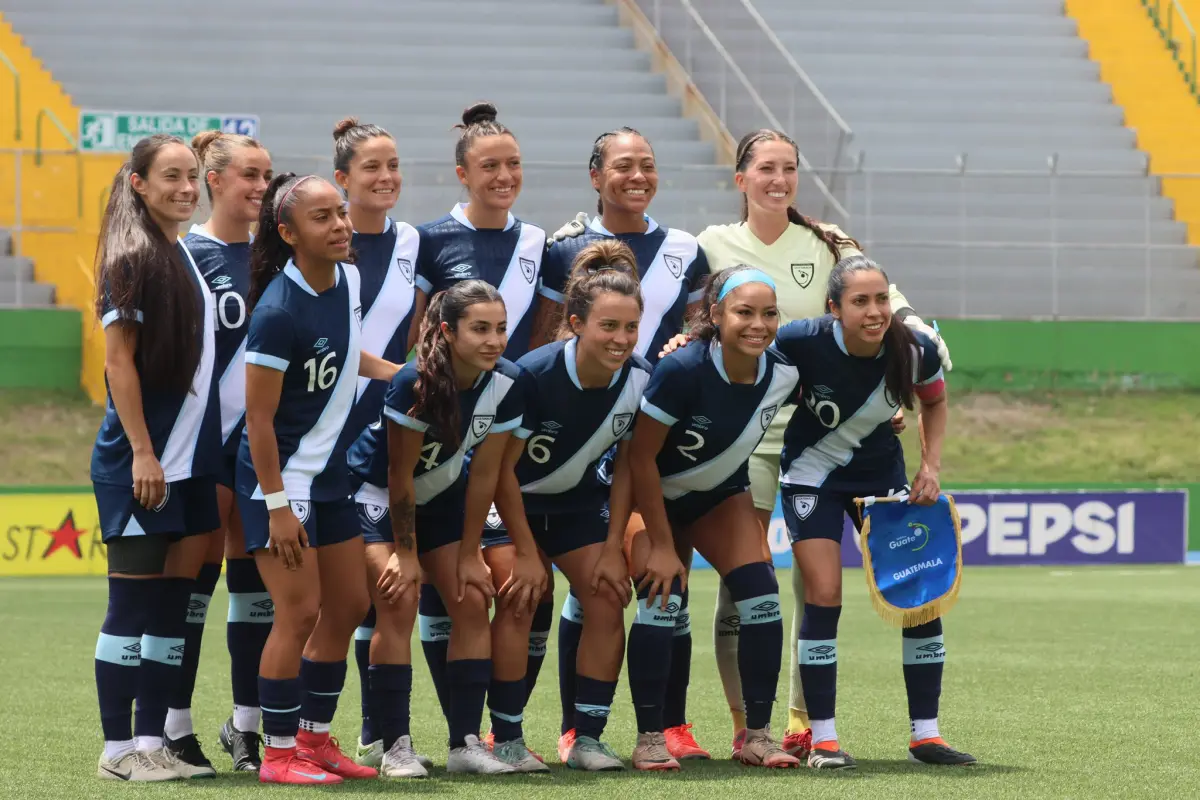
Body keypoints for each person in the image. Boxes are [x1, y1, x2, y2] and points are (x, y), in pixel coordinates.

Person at [694, 128, 953, 759]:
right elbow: (705, 331)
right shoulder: (710, 246)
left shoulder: (832, 245)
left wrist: (888, 399)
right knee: (745, 583)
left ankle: (805, 726)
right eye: (766, 168)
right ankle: (746, 725)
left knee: (835, 593)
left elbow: (904, 326)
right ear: (741, 178)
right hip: (757, 443)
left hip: (849, 443)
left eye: (790, 168)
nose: (779, 179)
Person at [538, 127, 711, 763]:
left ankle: (667, 726)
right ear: (595, 176)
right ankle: (573, 728)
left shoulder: (684, 248)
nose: (637, 176)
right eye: (622, 166)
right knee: (597, 587)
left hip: (650, 436)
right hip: (578, 439)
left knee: (661, 578)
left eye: (647, 165)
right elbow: (543, 336)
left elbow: (698, 332)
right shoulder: (564, 249)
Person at [772, 254, 973, 769]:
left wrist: (930, 466)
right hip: (811, 477)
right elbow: (746, 365)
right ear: (834, 308)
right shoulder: (800, 339)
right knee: (823, 592)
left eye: (881, 299)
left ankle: (926, 736)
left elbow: (935, 402)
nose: (874, 310)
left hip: (882, 479)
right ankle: (824, 739)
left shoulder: (915, 348)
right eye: (860, 301)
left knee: (918, 592)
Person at [237, 173, 400, 785]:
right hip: (278, 485)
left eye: (340, 214)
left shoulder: (349, 279)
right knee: (299, 611)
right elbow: (258, 420)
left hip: (330, 480)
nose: (340, 227)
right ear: (287, 233)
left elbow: (349, 350)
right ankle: (277, 757)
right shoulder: (277, 312)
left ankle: (315, 740)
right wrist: (278, 506)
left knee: (351, 604)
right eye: (322, 218)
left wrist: (404, 377)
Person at [346, 280, 547, 774]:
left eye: (500, 329)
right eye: (479, 329)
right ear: (447, 331)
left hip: (442, 500)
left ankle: (465, 745)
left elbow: (485, 475)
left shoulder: (510, 382)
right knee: (399, 599)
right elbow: (398, 478)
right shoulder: (413, 382)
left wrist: (468, 552)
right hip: (377, 499)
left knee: (472, 598)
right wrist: (408, 555)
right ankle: (394, 745)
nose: (493, 340)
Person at [413, 102, 554, 752]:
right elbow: (417, 332)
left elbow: (547, 335)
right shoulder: (430, 239)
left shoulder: (537, 241)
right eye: (490, 166)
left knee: (514, 588)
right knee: (435, 595)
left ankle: (503, 735)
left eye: (514, 164)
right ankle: (396, 732)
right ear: (463, 173)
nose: (504, 176)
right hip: (441, 435)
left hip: (509, 436)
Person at [625, 265, 802, 770]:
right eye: (744, 312)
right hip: (650, 497)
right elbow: (639, 460)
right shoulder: (682, 368)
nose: (758, 325)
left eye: (769, 314)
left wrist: (892, 413)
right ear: (716, 314)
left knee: (762, 597)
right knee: (663, 599)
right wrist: (659, 544)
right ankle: (650, 738)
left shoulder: (784, 372)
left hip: (719, 497)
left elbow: (831, 390)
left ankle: (758, 737)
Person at [91, 134, 222, 781]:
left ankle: (153, 743)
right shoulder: (131, 255)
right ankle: (117, 752)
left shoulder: (181, 252)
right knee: (133, 609)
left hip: (192, 466)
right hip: (144, 465)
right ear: (138, 183)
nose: (186, 187)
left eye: (193, 176)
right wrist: (144, 452)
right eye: (172, 176)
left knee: (173, 609)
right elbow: (119, 362)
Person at [499, 240, 649, 771]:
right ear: (578, 322)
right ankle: (507, 739)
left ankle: (586, 737)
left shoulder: (639, 379)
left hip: (576, 506)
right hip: (509, 504)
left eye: (630, 328)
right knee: (523, 596)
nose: (621, 339)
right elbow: (497, 473)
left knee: (609, 596)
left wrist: (613, 547)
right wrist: (522, 550)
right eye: (609, 326)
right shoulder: (532, 375)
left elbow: (630, 467)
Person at [158, 129, 271, 776]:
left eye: (267, 175)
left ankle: (246, 729)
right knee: (193, 592)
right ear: (213, 180)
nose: (260, 187)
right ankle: (174, 727)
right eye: (248, 176)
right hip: (201, 449)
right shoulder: (184, 255)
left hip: (259, 452)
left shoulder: (275, 259)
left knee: (258, 591)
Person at [325, 117, 429, 772]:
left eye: (394, 165)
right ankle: (260, 728)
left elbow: (418, 330)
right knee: (313, 603)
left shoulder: (414, 241)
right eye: (372, 168)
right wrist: (401, 374)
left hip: (392, 443)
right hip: (320, 442)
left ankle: (386, 735)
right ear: (342, 179)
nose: (387, 177)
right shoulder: (316, 239)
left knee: (390, 596)